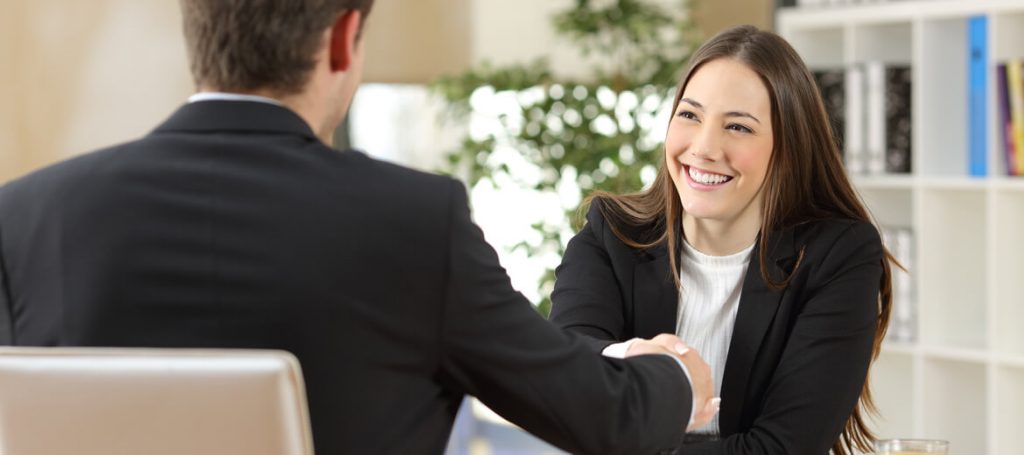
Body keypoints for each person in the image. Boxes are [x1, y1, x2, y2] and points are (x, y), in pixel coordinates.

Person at [0, 1, 720, 453]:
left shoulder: (28, 215)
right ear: (344, 39)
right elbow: (600, 417)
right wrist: (677, 376)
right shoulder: (413, 221)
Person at [549, 25, 896, 455]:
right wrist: (630, 355)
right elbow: (562, 375)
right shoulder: (613, 232)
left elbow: (785, 448)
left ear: (788, 148)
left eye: (739, 127)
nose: (704, 147)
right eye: (690, 115)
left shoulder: (836, 255)